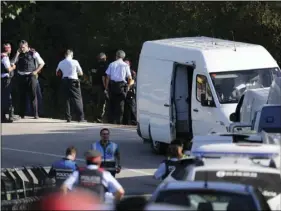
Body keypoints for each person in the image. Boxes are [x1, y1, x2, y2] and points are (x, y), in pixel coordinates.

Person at [61, 149, 125, 202]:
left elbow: (64, 187)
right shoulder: (105, 174)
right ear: (99, 162)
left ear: (86, 161)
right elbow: (121, 191)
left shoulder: (78, 173)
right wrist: (113, 204)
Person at [12, 40, 45, 119]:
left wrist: (36, 71)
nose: (21, 49)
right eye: (20, 47)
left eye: (23, 47)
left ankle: (35, 114)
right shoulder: (19, 54)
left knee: (33, 95)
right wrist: (17, 53)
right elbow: (12, 63)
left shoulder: (33, 53)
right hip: (21, 76)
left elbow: (42, 63)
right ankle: (21, 114)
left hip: (31, 76)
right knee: (21, 95)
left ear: (27, 46)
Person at [56, 49, 86, 123]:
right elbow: (81, 73)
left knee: (66, 99)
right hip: (73, 81)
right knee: (77, 99)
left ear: (65, 55)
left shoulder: (61, 62)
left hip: (64, 81)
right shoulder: (75, 62)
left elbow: (57, 73)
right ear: (71, 55)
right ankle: (80, 118)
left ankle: (68, 117)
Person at [104, 50, 133, 124]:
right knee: (120, 104)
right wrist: (128, 86)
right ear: (123, 57)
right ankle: (118, 121)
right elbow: (129, 77)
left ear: (116, 56)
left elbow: (107, 77)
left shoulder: (112, 64)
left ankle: (111, 121)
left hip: (113, 85)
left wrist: (106, 87)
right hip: (122, 86)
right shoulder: (125, 65)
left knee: (112, 103)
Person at [90, 53, 109, 123]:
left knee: (94, 102)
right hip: (101, 86)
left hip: (94, 86)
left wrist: (91, 84)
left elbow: (91, 76)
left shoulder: (93, 65)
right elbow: (104, 77)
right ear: (104, 58)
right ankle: (99, 117)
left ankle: (94, 117)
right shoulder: (105, 65)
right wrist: (106, 87)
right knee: (102, 102)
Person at [1, 43, 17, 123]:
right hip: (5, 79)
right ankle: (8, 117)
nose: (11, 49)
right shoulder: (5, 57)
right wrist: (13, 67)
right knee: (7, 98)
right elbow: (8, 69)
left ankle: (2, 116)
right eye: (9, 48)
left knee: (3, 97)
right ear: (6, 49)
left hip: (2, 79)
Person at [123, 59, 137, 125]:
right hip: (124, 91)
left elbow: (132, 81)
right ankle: (125, 121)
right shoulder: (122, 72)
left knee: (132, 107)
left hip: (130, 91)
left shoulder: (132, 72)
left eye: (126, 64)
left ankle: (134, 121)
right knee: (125, 107)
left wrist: (128, 87)